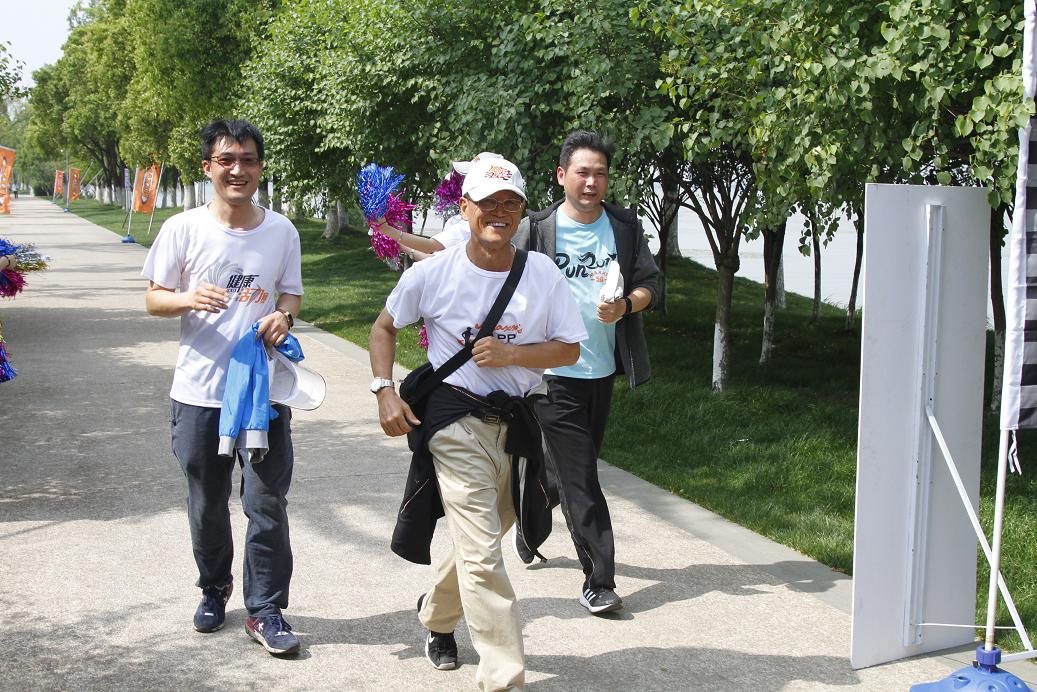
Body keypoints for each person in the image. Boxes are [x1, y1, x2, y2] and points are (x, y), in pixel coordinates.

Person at [369, 156, 587, 691]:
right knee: (485, 553)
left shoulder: (541, 273)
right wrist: (384, 389)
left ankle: (437, 614)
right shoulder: (433, 272)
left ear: (522, 212)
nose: (499, 212)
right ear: (464, 208)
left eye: (510, 202)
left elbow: (569, 348)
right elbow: (383, 327)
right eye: (488, 202)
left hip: (516, 422)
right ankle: (504, 678)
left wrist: (513, 356)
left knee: (485, 539)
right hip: (454, 420)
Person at [141, 119, 304, 656]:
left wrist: (283, 316)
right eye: (227, 159)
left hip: (263, 395)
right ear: (208, 167)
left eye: (249, 159)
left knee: (266, 503)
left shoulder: (282, 231)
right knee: (207, 503)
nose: (239, 169)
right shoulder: (183, 228)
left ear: (260, 167)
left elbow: (290, 294)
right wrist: (188, 298)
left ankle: (266, 609)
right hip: (200, 394)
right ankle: (214, 588)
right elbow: (154, 298)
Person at [513, 130, 660, 615]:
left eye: (600, 173)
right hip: (550, 373)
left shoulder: (624, 226)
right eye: (582, 172)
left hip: (600, 370)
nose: (591, 181)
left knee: (565, 470)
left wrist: (626, 306)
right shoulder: (536, 229)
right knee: (583, 477)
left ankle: (529, 518)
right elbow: (495, 271)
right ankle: (599, 580)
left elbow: (650, 283)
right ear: (562, 175)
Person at [374, 152, 504, 260]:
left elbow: (431, 247)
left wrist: (388, 231)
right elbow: (436, 260)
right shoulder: (486, 222)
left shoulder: (471, 224)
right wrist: (401, 245)